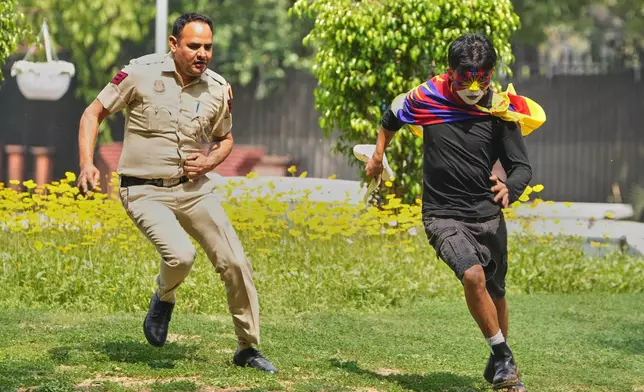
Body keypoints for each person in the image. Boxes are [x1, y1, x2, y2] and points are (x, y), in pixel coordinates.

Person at [76, 12, 278, 374]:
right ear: (174, 45)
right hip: (143, 191)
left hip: (194, 190)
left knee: (235, 262)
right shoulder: (140, 73)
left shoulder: (217, 88)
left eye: (208, 47)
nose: (203, 53)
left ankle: (247, 347)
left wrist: (209, 162)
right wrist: (87, 163)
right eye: (194, 45)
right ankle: (163, 298)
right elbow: (93, 113)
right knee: (181, 256)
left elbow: (225, 139)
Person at [365, 34, 543, 391]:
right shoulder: (426, 98)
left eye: (483, 78)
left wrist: (512, 187)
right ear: (450, 72)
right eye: (466, 78)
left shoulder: (498, 111)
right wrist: (377, 154)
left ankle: (499, 367)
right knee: (473, 276)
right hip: (442, 215)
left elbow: (521, 166)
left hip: (488, 216)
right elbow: (390, 118)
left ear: (492, 72)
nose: (475, 87)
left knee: (496, 291)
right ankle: (506, 359)